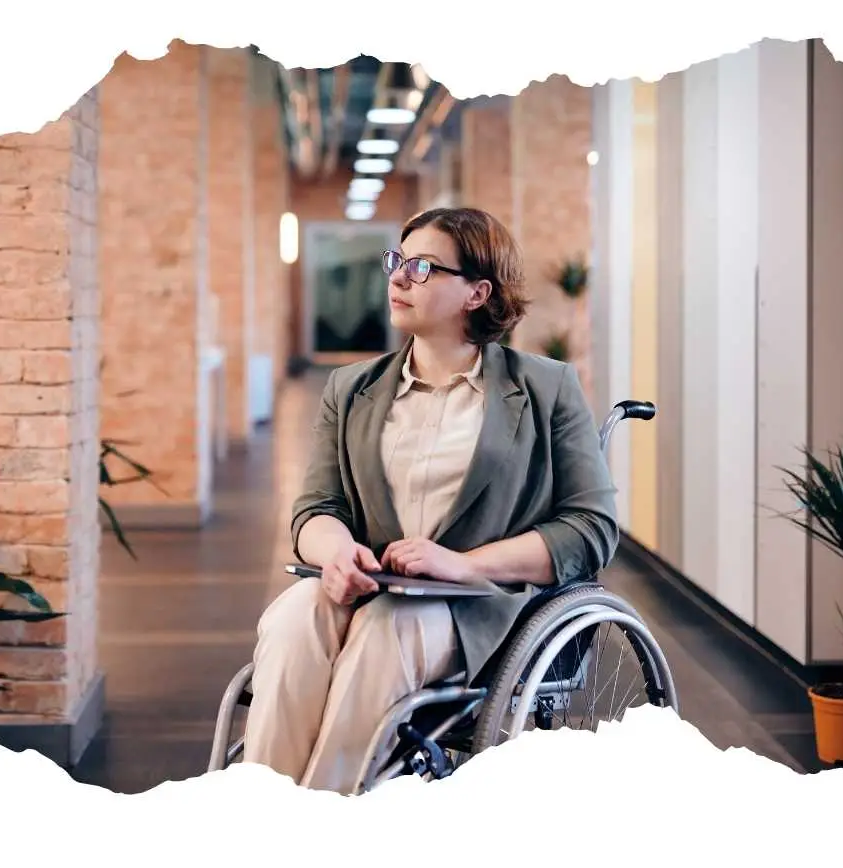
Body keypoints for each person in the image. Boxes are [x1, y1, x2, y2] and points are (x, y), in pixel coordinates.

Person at [242, 206, 619, 794]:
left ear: (477, 292)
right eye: (398, 261)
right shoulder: (351, 388)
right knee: (293, 617)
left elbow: (590, 528)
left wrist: (465, 564)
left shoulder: (546, 388)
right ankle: (260, 815)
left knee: (386, 631)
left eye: (422, 267)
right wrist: (336, 552)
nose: (397, 278)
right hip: (369, 588)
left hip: (476, 608)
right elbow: (317, 507)